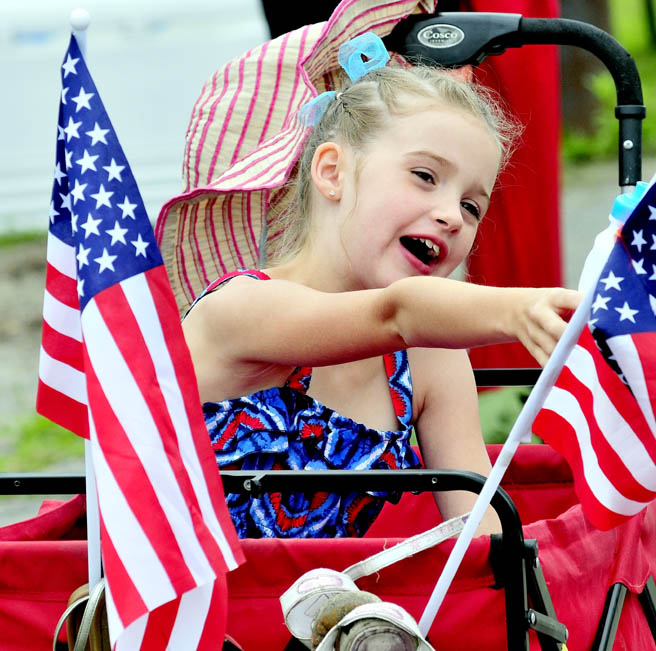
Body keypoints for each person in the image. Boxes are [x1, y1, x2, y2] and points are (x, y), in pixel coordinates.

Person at [181, 35, 580, 540]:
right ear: (332, 171)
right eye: (424, 175)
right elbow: (395, 313)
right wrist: (519, 307)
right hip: (198, 609)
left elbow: (481, 535)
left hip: (338, 614)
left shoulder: (431, 359)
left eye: (472, 206)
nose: (451, 215)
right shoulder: (242, 307)